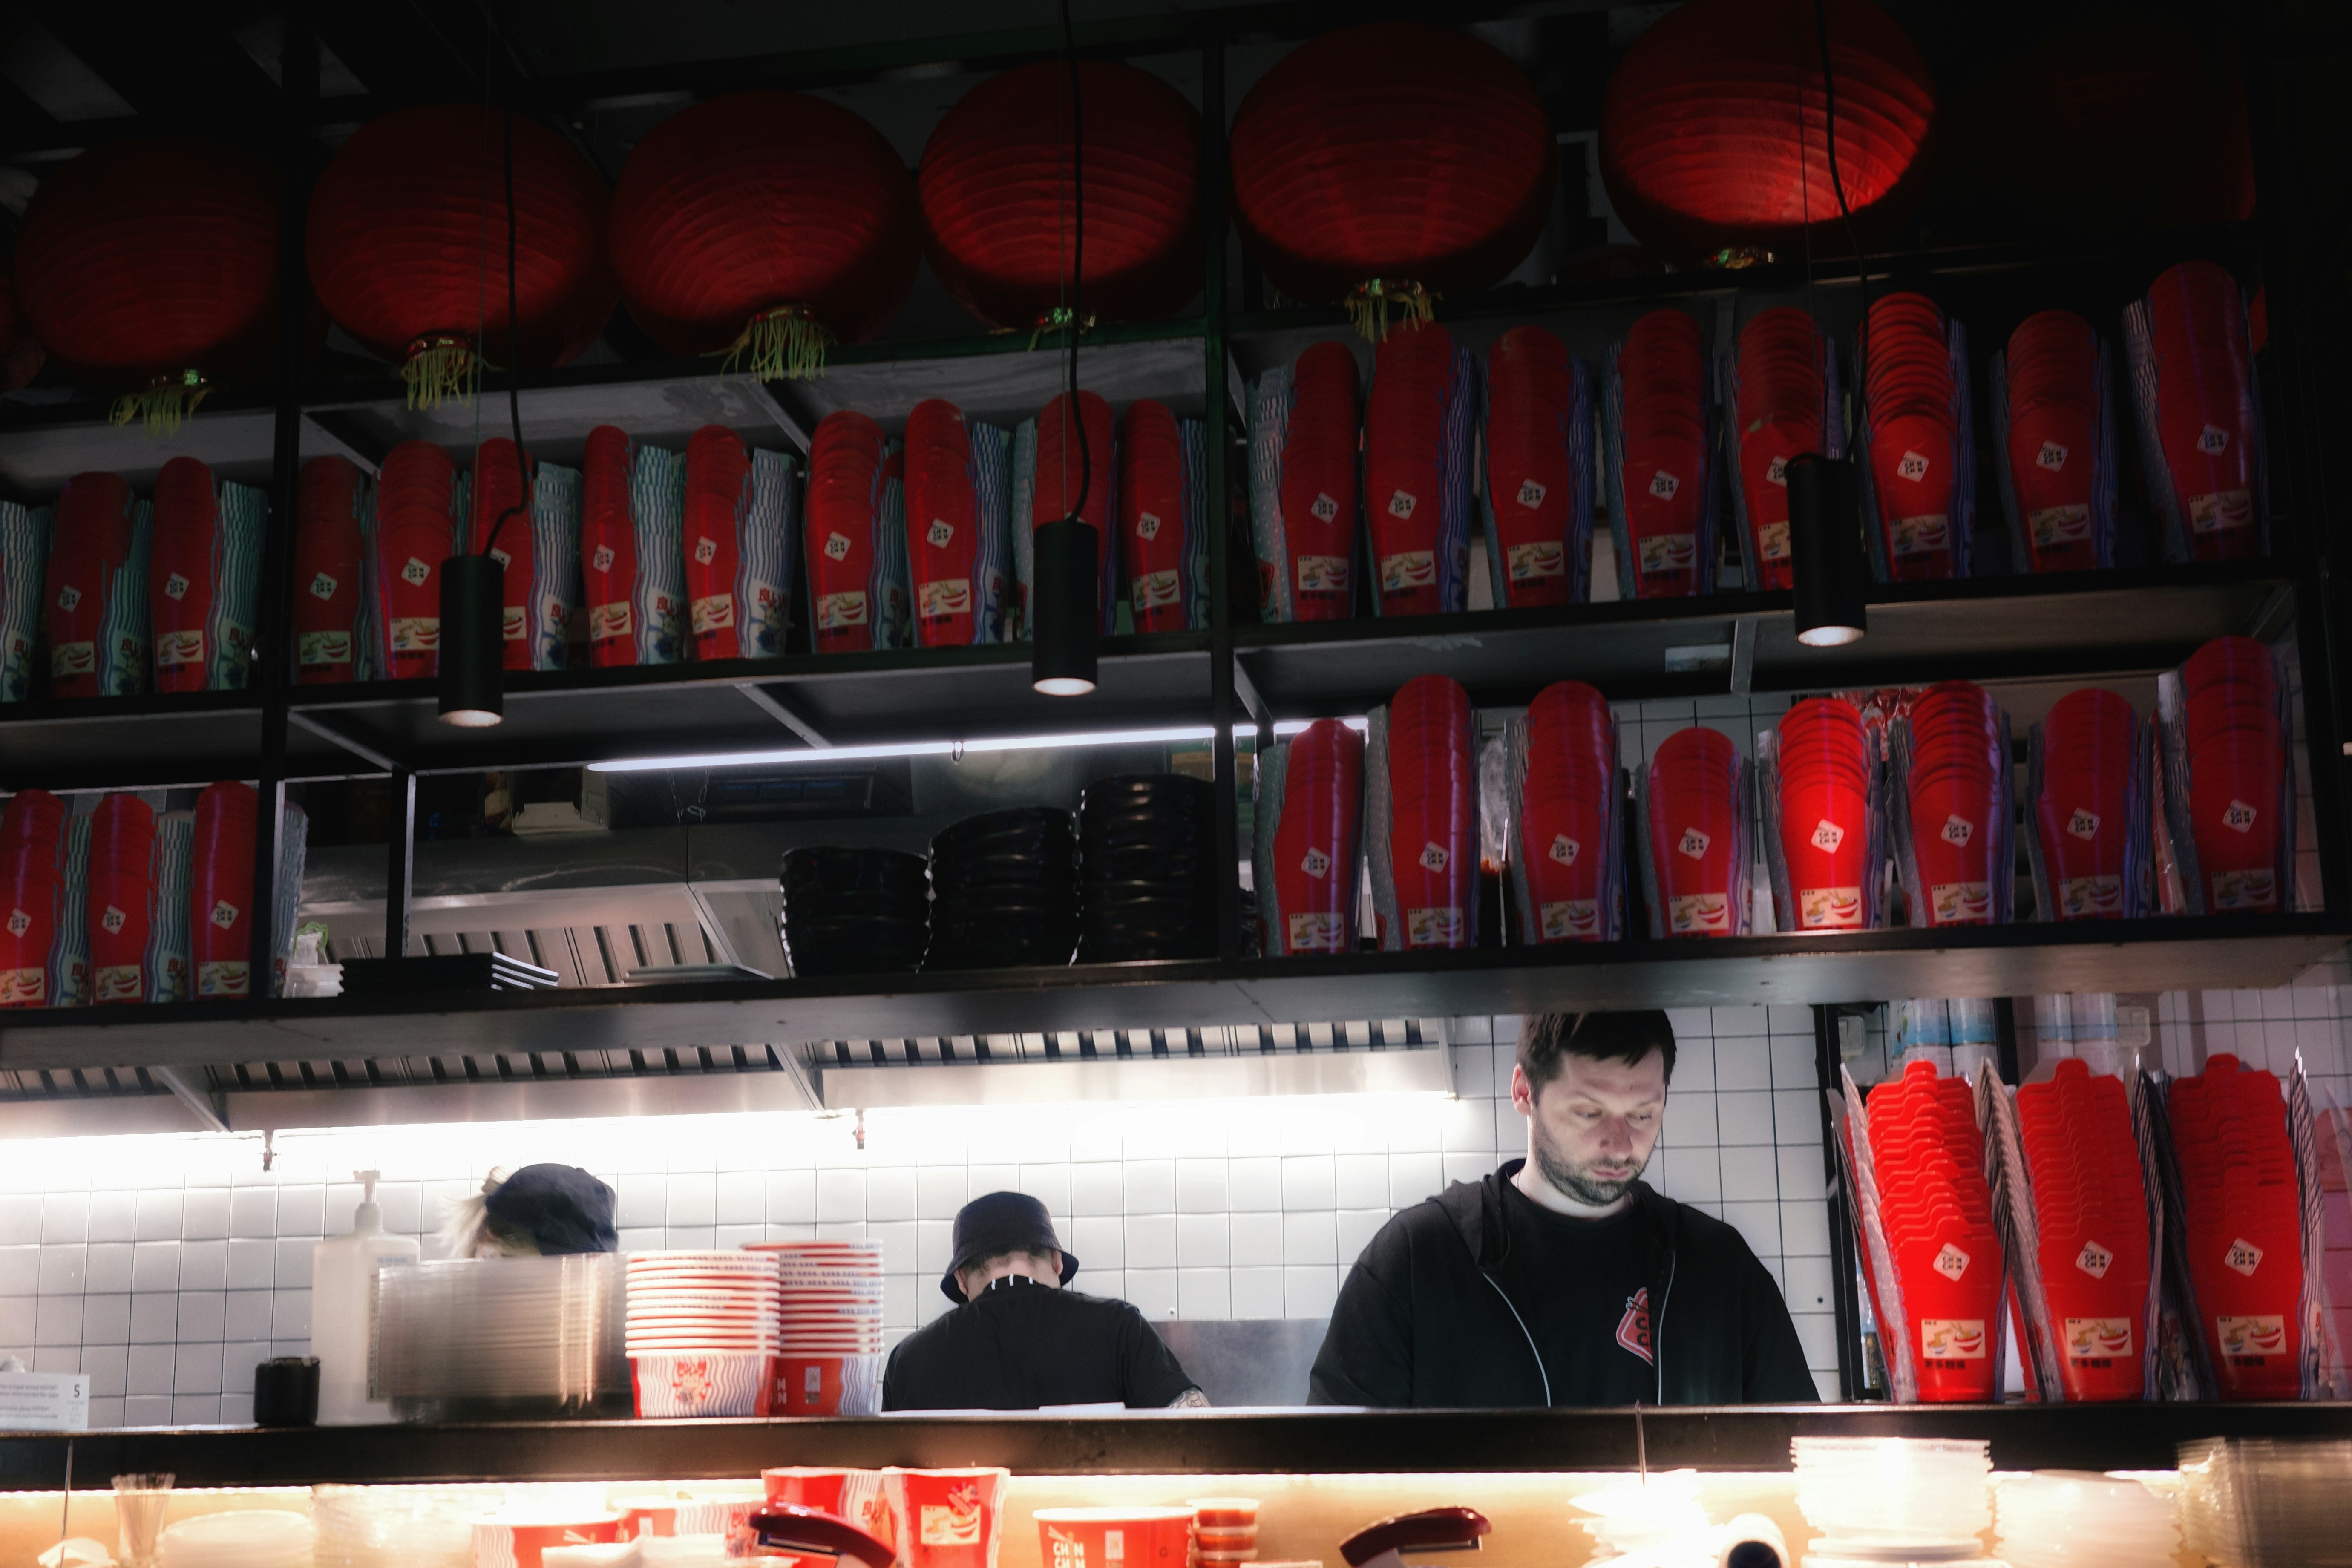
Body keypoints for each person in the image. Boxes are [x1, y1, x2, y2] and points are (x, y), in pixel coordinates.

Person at [1309, 1010, 1819, 1406]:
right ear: (1523, 1092)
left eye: (1643, 1114)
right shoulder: (1419, 1260)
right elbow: (1328, 1477)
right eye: (1588, 1112)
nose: (1619, 1144)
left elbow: (1803, 1465)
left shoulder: (1716, 1266)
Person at [883, 1190, 1209, 1410]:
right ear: (1056, 1261)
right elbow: (1198, 1430)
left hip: (960, 1513)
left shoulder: (908, 1361)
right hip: (1096, 1513)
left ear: (961, 1279)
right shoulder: (1120, 1327)